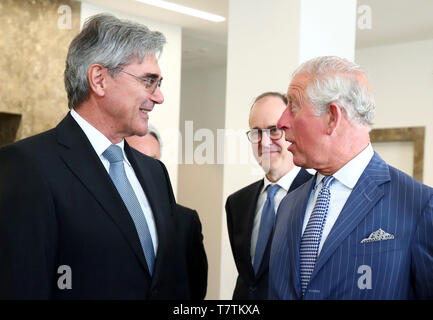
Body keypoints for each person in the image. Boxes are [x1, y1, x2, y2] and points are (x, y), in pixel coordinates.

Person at [0, 14, 192, 299]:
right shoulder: (26, 166)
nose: (159, 97)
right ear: (99, 79)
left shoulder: (155, 174)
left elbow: (171, 279)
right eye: (149, 81)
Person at [270, 56, 433, 300]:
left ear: (332, 117)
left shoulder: (417, 205)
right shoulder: (288, 204)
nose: (281, 122)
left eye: (293, 106)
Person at [225, 92, 312, 300]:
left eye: (273, 130)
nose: (264, 142)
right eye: (256, 132)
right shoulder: (237, 203)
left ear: (291, 131)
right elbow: (248, 278)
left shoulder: (316, 194)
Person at [126, 125, 208, 300]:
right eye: (136, 158)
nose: (144, 168)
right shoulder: (106, 217)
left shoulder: (186, 222)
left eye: (153, 160)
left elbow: (196, 289)